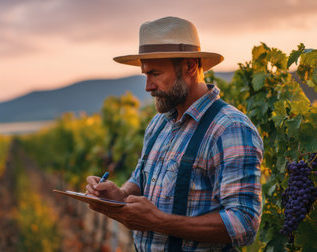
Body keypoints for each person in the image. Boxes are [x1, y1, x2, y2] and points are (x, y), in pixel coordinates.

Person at [85, 16, 263, 251]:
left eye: (156, 74)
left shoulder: (229, 128)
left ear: (190, 66)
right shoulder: (159, 124)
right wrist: (119, 195)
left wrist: (159, 221)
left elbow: (244, 224)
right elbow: (141, 179)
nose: (148, 86)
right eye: (145, 75)